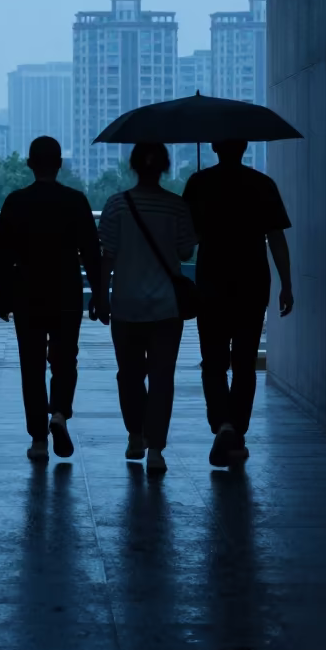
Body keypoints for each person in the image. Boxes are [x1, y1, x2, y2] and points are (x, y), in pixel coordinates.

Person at [182, 139, 293, 467]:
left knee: (213, 361)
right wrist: (286, 285)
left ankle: (223, 425)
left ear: (214, 147)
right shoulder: (262, 184)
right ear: (245, 146)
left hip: (212, 283)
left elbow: (188, 239)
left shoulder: (199, 183)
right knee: (244, 362)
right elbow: (276, 238)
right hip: (252, 282)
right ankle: (237, 430)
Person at [0, 136, 101, 461]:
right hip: (66, 293)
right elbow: (91, 253)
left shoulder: (15, 202)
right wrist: (97, 292)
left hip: (27, 296)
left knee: (32, 365)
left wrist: (5, 290)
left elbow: (0, 258)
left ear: (29, 164)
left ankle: (39, 440)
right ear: (59, 164)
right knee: (65, 360)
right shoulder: (76, 201)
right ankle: (59, 414)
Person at [98, 143, 196, 475]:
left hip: (125, 306)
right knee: (162, 377)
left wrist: (99, 295)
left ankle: (135, 435)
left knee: (129, 375)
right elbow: (185, 253)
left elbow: (106, 257)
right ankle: (156, 449)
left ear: (134, 167)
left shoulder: (116, 206)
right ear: (165, 167)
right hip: (166, 308)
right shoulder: (177, 207)